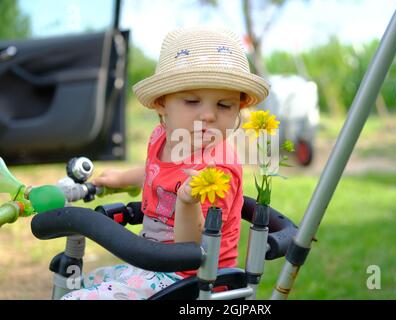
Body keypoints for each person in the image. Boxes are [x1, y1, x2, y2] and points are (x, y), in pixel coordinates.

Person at [61, 27, 269, 300]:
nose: (208, 115)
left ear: (239, 108)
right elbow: (156, 172)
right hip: (153, 265)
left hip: (194, 281)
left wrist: (187, 202)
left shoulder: (216, 171)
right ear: (162, 103)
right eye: (192, 101)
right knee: (83, 282)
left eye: (224, 105)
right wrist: (122, 179)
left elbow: (191, 250)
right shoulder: (162, 137)